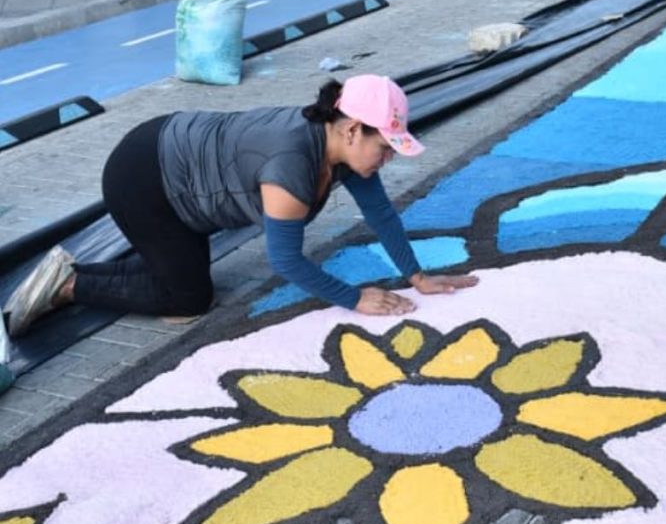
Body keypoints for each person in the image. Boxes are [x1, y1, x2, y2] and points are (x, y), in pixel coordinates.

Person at [3, 75, 478, 338]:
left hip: (176, 166)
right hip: (144, 178)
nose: (390, 156)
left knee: (184, 279)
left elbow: (380, 215)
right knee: (187, 300)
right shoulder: (293, 162)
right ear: (353, 129)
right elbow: (285, 260)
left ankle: (67, 272)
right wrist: (355, 298)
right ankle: (69, 285)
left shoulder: (346, 152)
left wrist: (416, 277)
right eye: (387, 145)